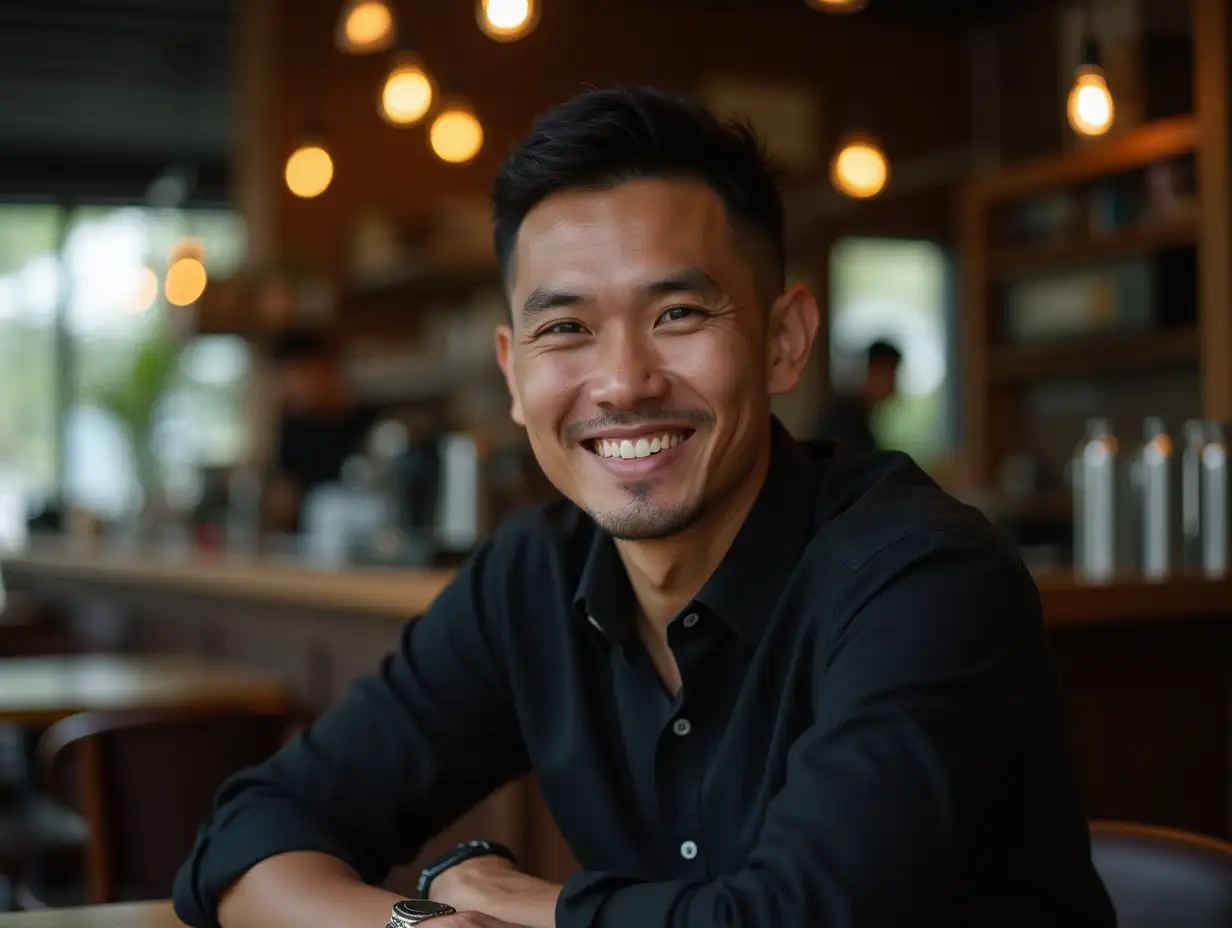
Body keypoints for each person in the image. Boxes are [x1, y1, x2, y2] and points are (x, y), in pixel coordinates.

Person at [172, 87, 1115, 928]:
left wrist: (538, 907)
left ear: (785, 341)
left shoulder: (922, 579)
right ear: (514, 371)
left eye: (678, 315)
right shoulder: (532, 580)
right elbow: (249, 832)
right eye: (566, 328)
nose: (621, 382)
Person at [262, 331, 372, 534]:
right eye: (284, 378)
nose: (290, 388)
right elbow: (282, 505)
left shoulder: (371, 426)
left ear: (325, 367)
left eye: (298, 374)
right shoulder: (296, 429)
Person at [816, 338, 902, 452]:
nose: (893, 384)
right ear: (872, 370)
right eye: (890, 373)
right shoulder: (843, 421)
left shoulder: (860, 419)